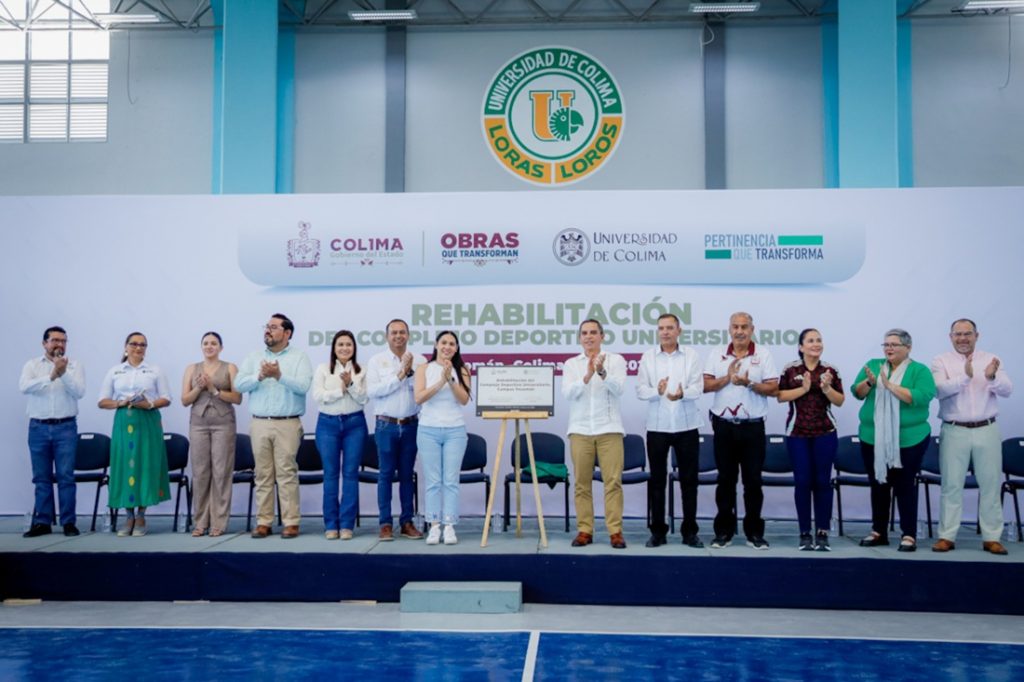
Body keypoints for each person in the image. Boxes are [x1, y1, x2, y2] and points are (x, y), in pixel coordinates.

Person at [930, 319, 1013, 556]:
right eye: (958, 334)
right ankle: (947, 536)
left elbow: (1007, 390)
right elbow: (939, 391)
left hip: (987, 428)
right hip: (954, 429)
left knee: (990, 484)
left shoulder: (991, 359)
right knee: (951, 485)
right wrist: (965, 377)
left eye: (968, 334)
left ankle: (992, 537)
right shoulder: (940, 361)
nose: (963, 338)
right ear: (951, 337)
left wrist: (992, 378)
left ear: (977, 335)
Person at [853, 328, 936, 552]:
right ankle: (878, 531)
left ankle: (908, 534)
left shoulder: (919, 370)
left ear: (908, 347)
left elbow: (921, 397)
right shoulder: (873, 364)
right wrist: (869, 383)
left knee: (904, 485)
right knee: (878, 484)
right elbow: (857, 393)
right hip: (872, 437)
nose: (888, 348)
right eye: (886, 344)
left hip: (910, 439)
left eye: (894, 344)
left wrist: (890, 386)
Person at [703, 312, 779, 550]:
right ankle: (723, 532)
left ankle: (754, 533)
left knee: (753, 481)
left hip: (752, 427)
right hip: (723, 426)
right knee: (725, 480)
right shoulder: (717, 354)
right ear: (729, 330)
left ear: (752, 330)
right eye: (735, 327)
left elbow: (774, 388)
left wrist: (748, 383)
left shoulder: (763, 354)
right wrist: (728, 377)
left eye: (744, 327)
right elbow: (705, 385)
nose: (740, 331)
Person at [235, 314, 313, 539]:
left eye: (273, 327)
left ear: (287, 333)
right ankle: (264, 521)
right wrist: (259, 376)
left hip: (287, 422)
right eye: (267, 326)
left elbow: (303, 386)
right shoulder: (254, 357)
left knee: (287, 473)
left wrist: (279, 376)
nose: (267, 330)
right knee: (262, 474)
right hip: (260, 422)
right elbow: (239, 384)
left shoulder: (299, 357)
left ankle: (291, 522)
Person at [636, 313, 704, 548]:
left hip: (687, 426)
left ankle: (689, 532)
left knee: (689, 481)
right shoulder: (648, 357)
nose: (665, 332)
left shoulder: (691, 355)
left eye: (669, 328)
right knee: (657, 481)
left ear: (678, 331)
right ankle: (658, 532)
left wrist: (683, 394)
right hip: (657, 426)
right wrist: (657, 391)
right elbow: (641, 390)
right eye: (661, 328)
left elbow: (698, 387)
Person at [97, 332, 172, 537]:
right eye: (134, 344)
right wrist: (120, 402)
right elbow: (102, 401)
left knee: (145, 465)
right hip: (124, 422)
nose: (138, 348)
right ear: (126, 346)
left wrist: (149, 404)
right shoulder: (115, 371)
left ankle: (141, 515)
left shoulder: (154, 370)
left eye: (142, 345)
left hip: (148, 421)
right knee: (125, 465)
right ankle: (128, 516)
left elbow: (166, 398)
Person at [777, 328, 845, 551]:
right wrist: (804, 388)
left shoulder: (830, 370)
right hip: (797, 433)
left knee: (823, 481)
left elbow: (840, 401)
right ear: (801, 346)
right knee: (803, 481)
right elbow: (780, 396)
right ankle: (805, 532)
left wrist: (826, 388)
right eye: (811, 340)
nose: (816, 344)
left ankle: (822, 532)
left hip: (825, 432)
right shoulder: (790, 369)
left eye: (819, 340)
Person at [563, 319, 628, 549]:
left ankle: (615, 531)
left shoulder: (616, 360)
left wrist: (601, 372)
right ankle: (585, 530)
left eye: (593, 332)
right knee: (582, 484)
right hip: (580, 430)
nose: (589, 336)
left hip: (609, 429)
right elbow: (568, 394)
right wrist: (587, 375)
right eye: (584, 333)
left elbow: (619, 389)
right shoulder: (571, 364)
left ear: (602, 336)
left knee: (613, 482)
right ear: (580, 338)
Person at [19, 326, 86, 538]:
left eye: (63, 341)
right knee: (41, 478)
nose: (60, 344)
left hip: (65, 427)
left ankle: (68, 522)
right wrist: (50, 376)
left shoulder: (74, 365)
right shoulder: (32, 365)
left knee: (66, 477)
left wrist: (62, 373)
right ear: (44, 343)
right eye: (55, 340)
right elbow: (25, 387)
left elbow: (79, 392)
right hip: (38, 427)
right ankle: (42, 522)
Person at [366, 319, 426, 541]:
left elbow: (422, 392)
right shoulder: (376, 361)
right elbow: (374, 391)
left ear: (408, 335)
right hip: (386, 425)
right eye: (394, 333)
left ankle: (407, 522)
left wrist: (410, 374)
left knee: (407, 475)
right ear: (387, 336)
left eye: (402, 332)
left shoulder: (420, 361)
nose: (398, 336)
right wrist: (400, 374)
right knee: (385, 474)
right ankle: (385, 523)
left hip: (411, 424)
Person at [181, 332, 241, 538]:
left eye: (214, 343)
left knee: (221, 472)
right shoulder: (192, 368)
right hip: (198, 424)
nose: (209, 346)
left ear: (220, 347)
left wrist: (213, 389)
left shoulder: (230, 367)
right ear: (201, 347)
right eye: (206, 343)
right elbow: (185, 400)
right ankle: (200, 522)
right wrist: (199, 387)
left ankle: (219, 522)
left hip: (223, 424)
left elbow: (237, 398)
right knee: (200, 473)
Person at [414, 331, 471, 546]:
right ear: (436, 345)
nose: (447, 347)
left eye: (452, 344)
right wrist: (440, 381)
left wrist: (451, 380)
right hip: (428, 429)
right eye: (444, 342)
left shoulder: (462, 369)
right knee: (433, 481)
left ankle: (449, 525)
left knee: (450, 480)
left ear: (456, 348)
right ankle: (434, 525)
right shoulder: (424, 368)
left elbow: (464, 399)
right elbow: (419, 397)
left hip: (455, 430)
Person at [313, 330, 369, 540]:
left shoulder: (361, 369)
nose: (345, 348)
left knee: (351, 474)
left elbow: (364, 399)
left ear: (354, 348)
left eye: (348, 344)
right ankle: (331, 524)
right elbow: (318, 395)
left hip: (355, 424)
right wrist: (340, 391)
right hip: (328, 424)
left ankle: (346, 524)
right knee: (330, 474)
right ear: (334, 348)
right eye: (340, 344)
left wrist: (351, 384)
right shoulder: (323, 369)